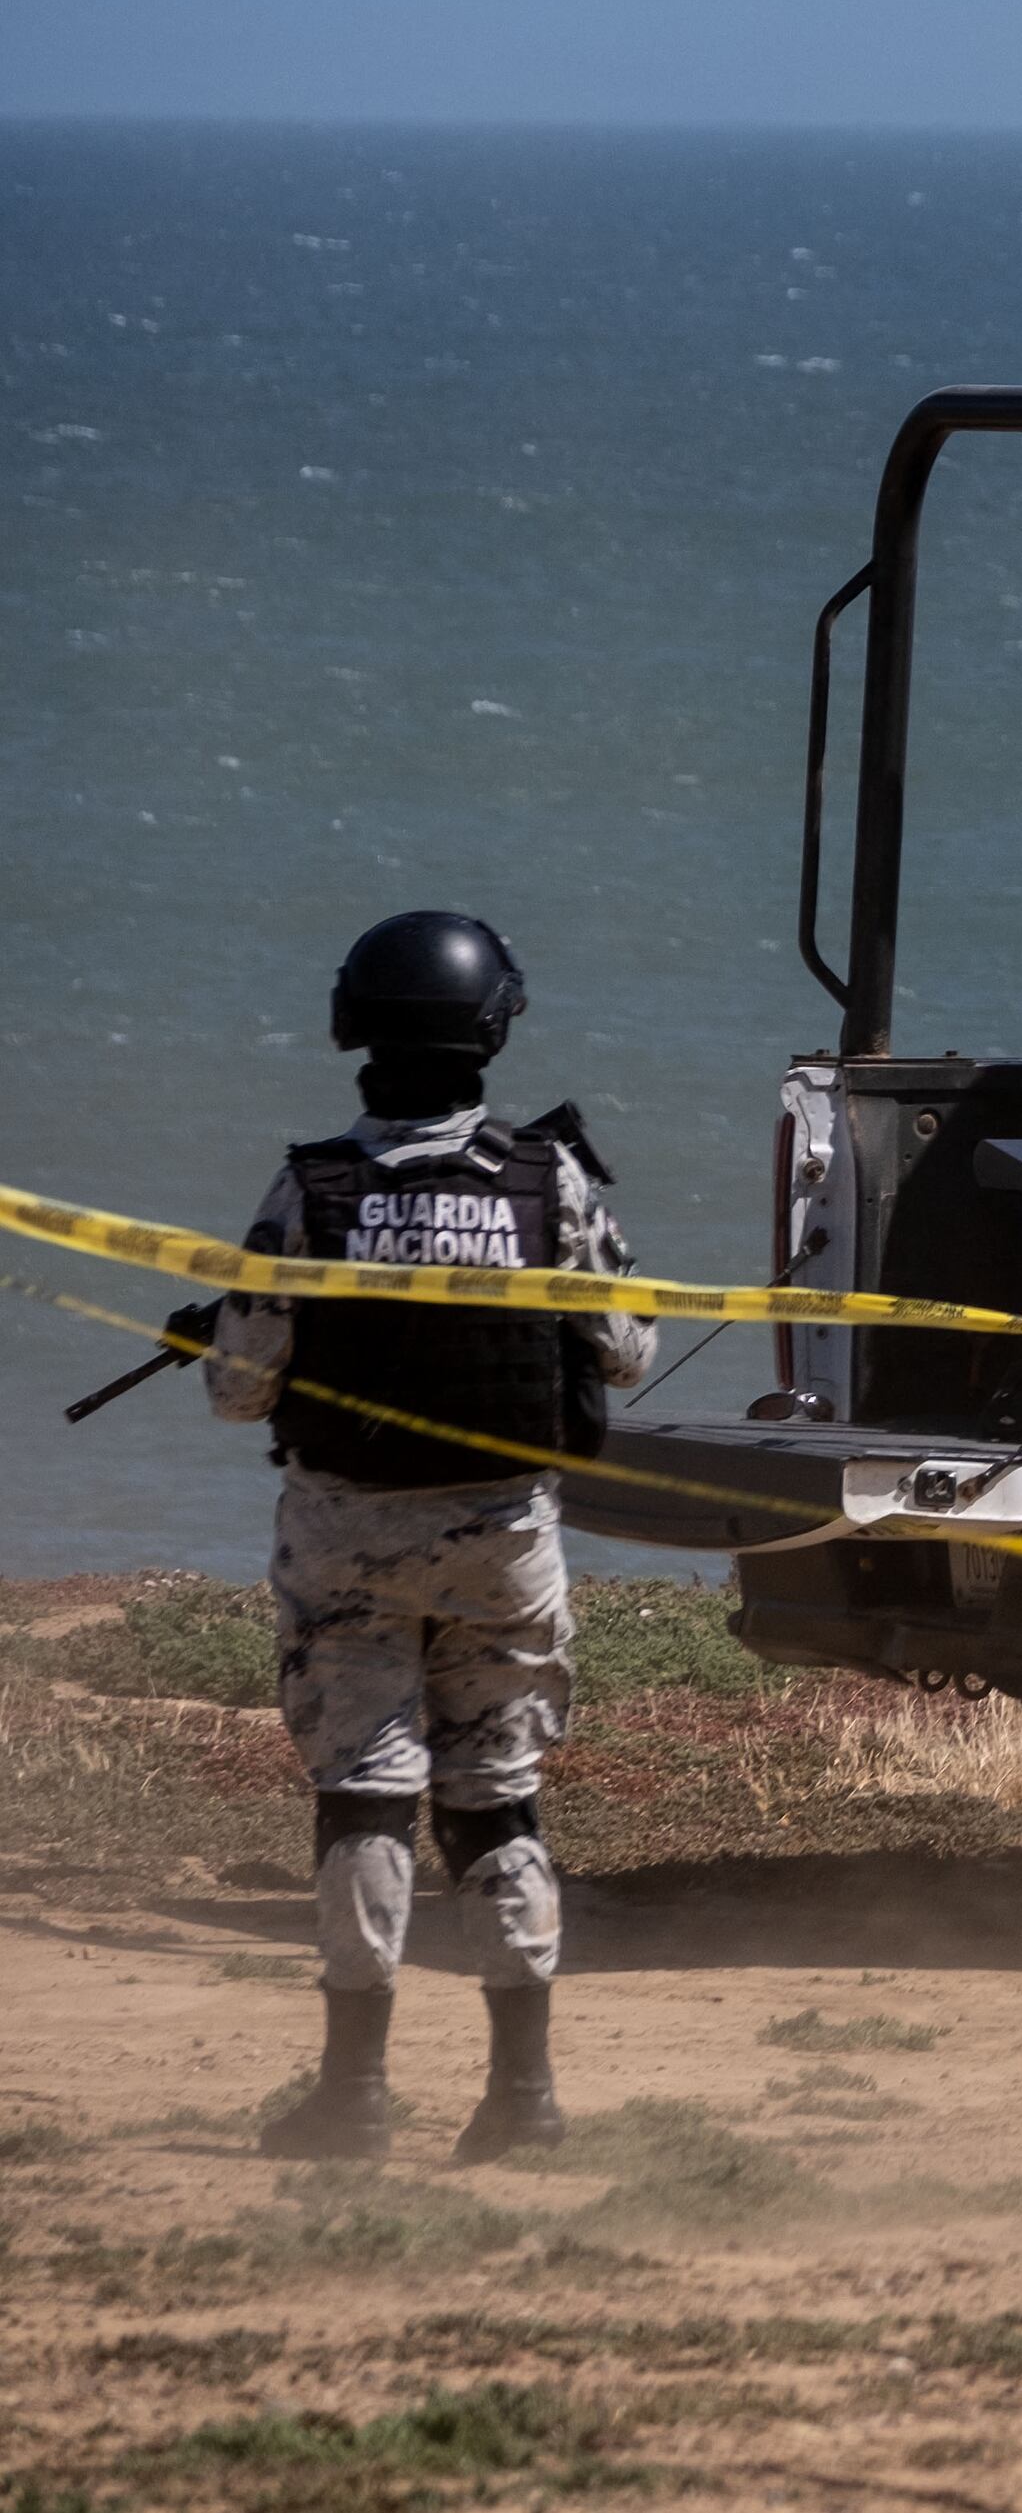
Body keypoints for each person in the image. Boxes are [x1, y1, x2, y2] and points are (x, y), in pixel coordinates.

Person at [210, 911, 651, 2164]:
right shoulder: (547, 1182)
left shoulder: (311, 1189)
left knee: (364, 1800)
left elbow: (241, 1388)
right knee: (496, 1805)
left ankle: (351, 2098)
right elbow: (624, 1349)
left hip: (345, 1539)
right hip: (505, 1541)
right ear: (494, 1030)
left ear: (354, 1028)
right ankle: (524, 2101)